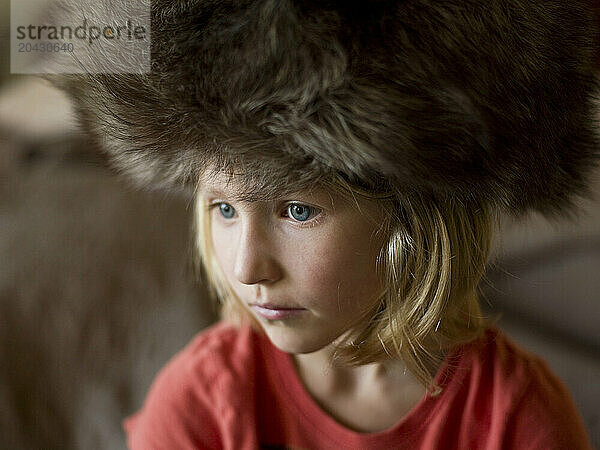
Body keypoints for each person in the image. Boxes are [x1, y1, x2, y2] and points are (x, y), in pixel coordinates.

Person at [50, 0, 599, 448]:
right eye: (224, 209)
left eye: (297, 211)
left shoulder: (520, 418)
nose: (247, 266)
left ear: (415, 219)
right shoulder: (202, 401)